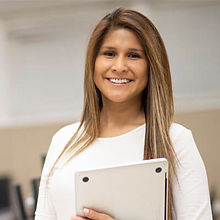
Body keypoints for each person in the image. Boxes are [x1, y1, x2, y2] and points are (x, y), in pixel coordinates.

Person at [35, 7, 213, 220]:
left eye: (133, 55)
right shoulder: (63, 140)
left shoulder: (175, 140)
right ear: (93, 63)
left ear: (151, 67)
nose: (119, 66)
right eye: (109, 54)